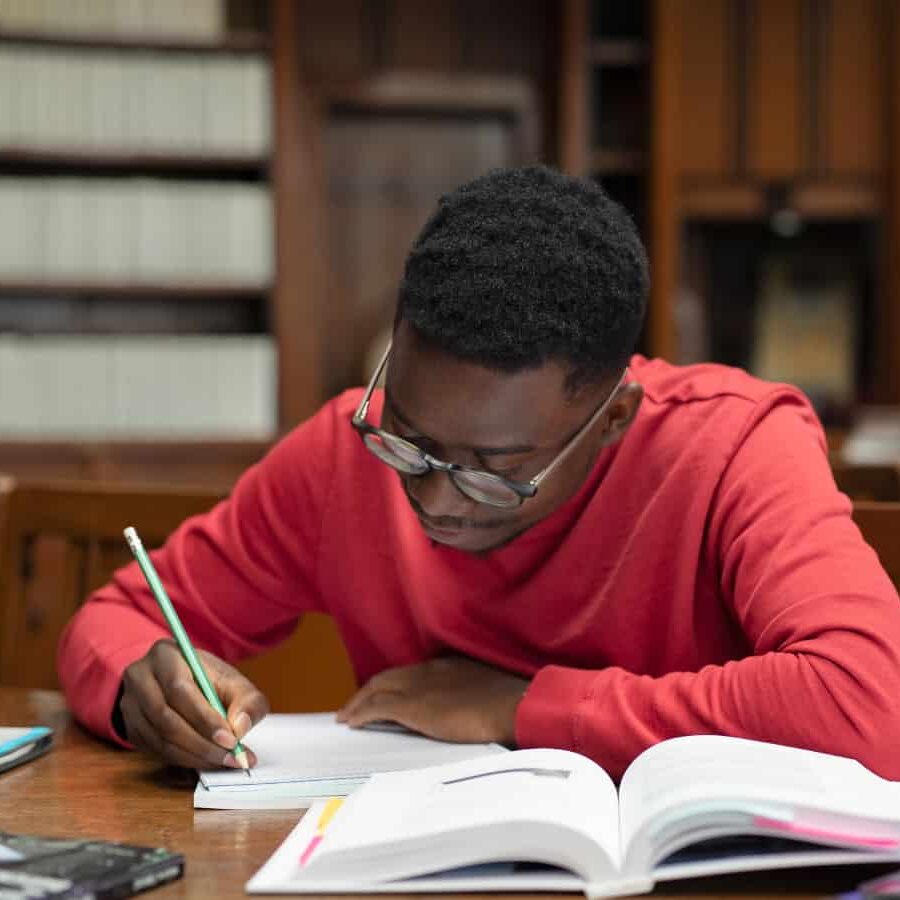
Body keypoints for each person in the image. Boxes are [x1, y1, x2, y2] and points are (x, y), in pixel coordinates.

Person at [58, 166, 900, 781]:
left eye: (495, 471)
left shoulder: (734, 446)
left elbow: (870, 703)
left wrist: (522, 706)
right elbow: (117, 618)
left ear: (613, 418)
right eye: (408, 439)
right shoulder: (341, 456)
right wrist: (143, 691)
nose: (432, 496)